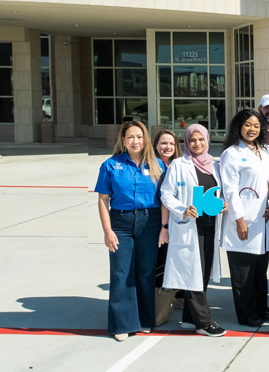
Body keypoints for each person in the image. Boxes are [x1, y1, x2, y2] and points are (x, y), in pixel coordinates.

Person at [94, 120, 166, 341]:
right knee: (121, 273)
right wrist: (108, 231)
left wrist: (164, 228)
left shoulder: (157, 165)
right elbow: (103, 200)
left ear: (145, 140)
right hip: (120, 223)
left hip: (150, 221)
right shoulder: (111, 165)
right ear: (123, 141)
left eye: (139, 136)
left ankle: (144, 320)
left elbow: (164, 200)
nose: (136, 141)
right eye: (131, 137)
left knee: (145, 272)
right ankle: (122, 323)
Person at [159, 125, 226, 337]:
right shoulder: (179, 164)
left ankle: (189, 317)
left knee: (203, 271)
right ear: (187, 142)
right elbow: (166, 194)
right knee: (193, 272)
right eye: (192, 140)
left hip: (210, 224)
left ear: (207, 140)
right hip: (189, 226)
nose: (197, 144)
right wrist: (182, 209)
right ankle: (204, 323)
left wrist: (222, 204)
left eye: (201, 140)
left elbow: (216, 192)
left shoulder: (214, 165)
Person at [218, 108, 269, 328]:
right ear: (238, 127)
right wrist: (239, 220)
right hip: (244, 220)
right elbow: (230, 189)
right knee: (243, 271)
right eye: (247, 125)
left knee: (259, 271)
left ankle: (261, 308)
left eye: (256, 125)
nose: (252, 129)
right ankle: (246, 314)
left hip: (265, 220)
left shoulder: (266, 150)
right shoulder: (231, 153)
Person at [151, 129, 181, 315]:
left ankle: (178, 298)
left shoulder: (180, 165)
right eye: (163, 143)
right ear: (155, 146)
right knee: (160, 262)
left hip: (178, 222)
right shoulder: (151, 166)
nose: (167, 147)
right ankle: (159, 305)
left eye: (171, 143)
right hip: (158, 223)